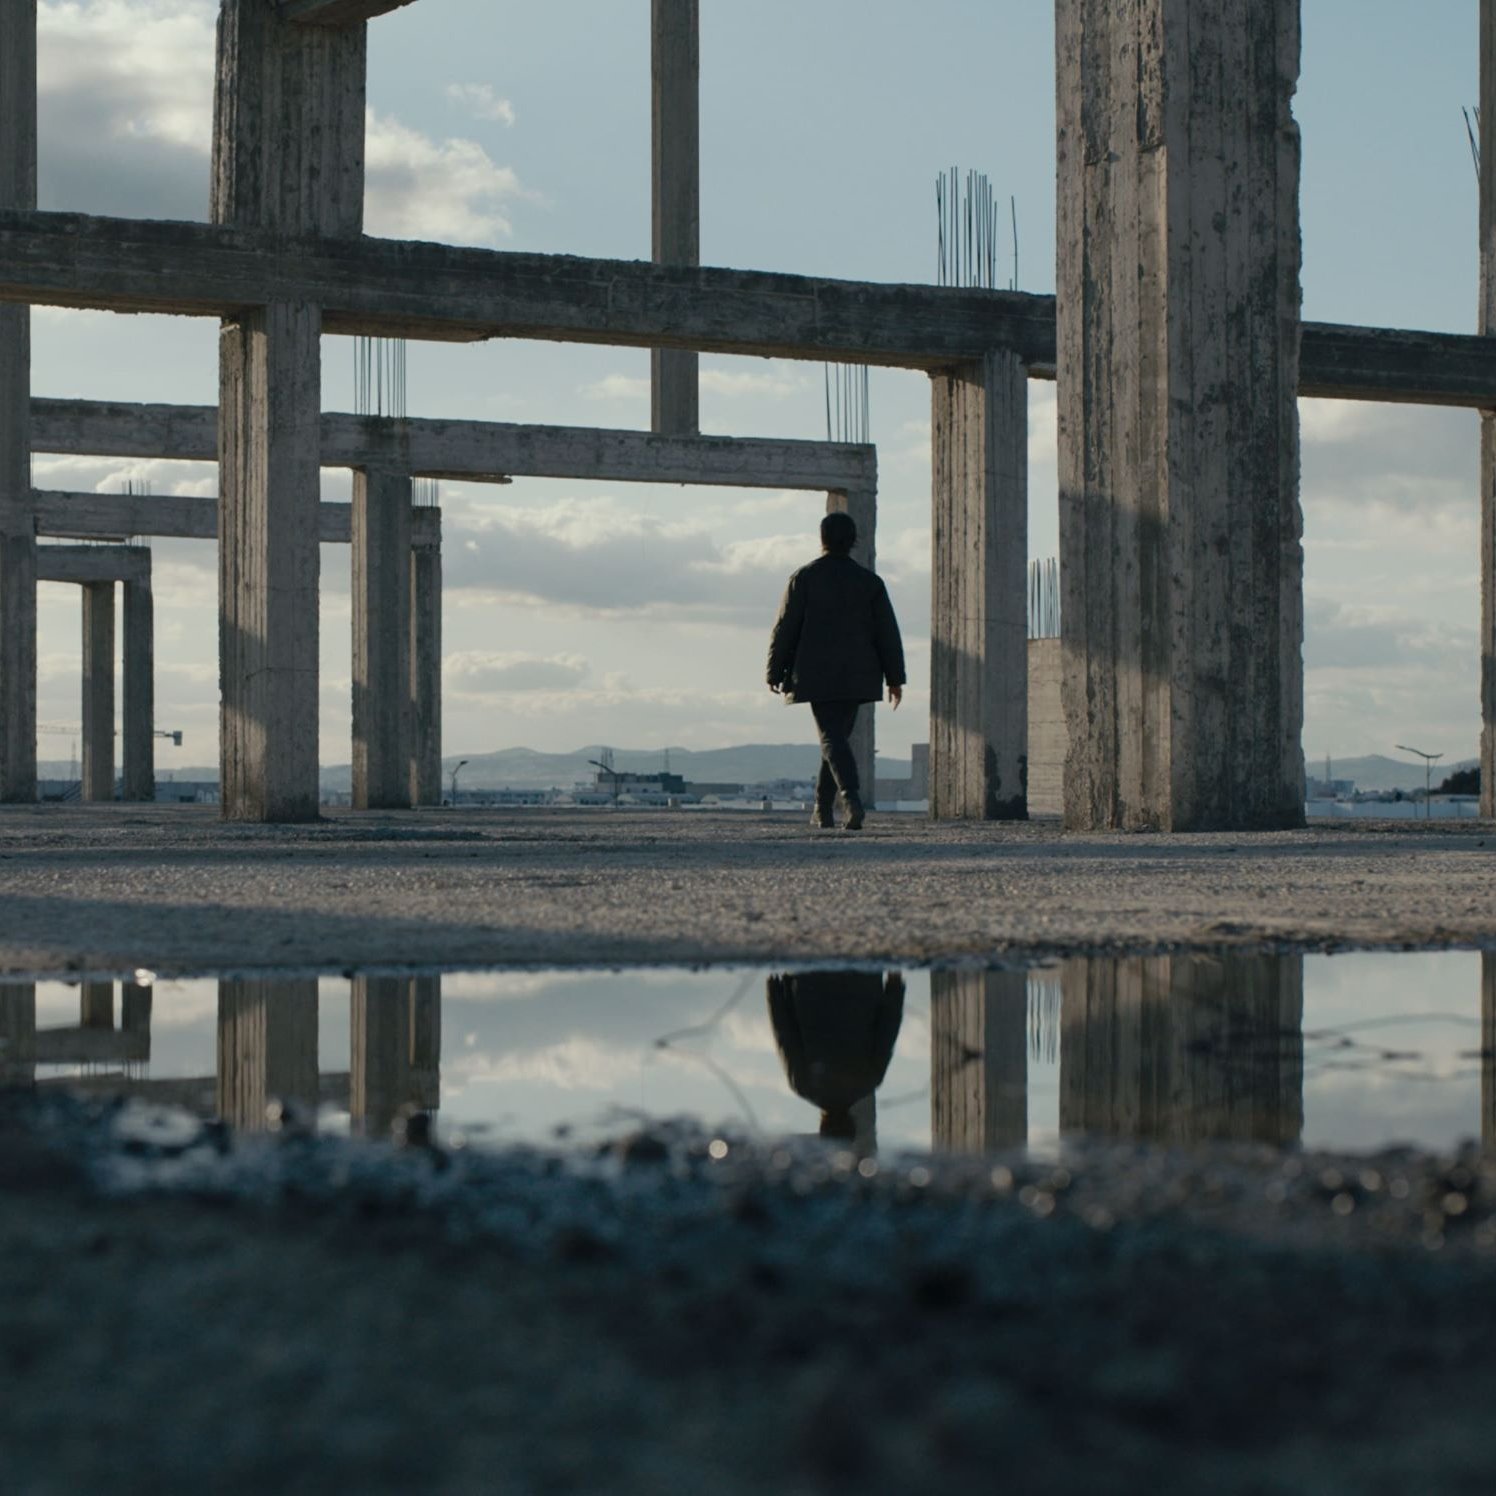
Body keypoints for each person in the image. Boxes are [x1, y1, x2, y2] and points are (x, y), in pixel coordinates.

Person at [766, 511, 906, 830]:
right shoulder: (871, 583)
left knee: (831, 738)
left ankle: (850, 799)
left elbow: (785, 628)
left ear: (822, 539)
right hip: (859, 675)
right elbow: (888, 633)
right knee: (836, 739)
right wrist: (895, 678)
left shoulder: (804, 578)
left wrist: (774, 670)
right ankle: (822, 809)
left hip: (817, 674)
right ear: (853, 540)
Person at [766, 970, 906, 1148]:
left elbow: (887, 1031)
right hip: (810, 986)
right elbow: (785, 1035)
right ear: (822, 1125)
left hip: (862, 984)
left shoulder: (869, 1081)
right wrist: (775, 990)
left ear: (852, 1123)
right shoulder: (803, 1085)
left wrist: (895, 987)